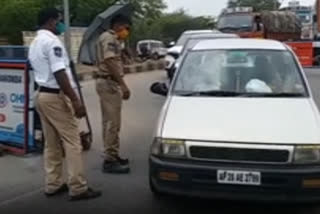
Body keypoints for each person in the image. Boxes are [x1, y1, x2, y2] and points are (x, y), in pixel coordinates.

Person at [29, 8, 101, 201]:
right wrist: (76, 100)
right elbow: (60, 73)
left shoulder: (35, 42)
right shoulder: (52, 42)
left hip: (41, 95)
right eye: (59, 21)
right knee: (72, 142)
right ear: (51, 22)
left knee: (51, 143)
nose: (61, 25)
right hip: (54, 97)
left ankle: (53, 184)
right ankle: (78, 187)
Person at [95, 15, 132, 173]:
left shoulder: (113, 39)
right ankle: (109, 160)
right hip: (109, 83)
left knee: (110, 122)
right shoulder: (109, 38)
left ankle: (113, 154)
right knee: (113, 123)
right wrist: (123, 85)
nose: (127, 31)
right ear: (118, 25)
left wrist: (123, 51)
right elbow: (109, 61)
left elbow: (114, 58)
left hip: (108, 82)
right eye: (126, 27)